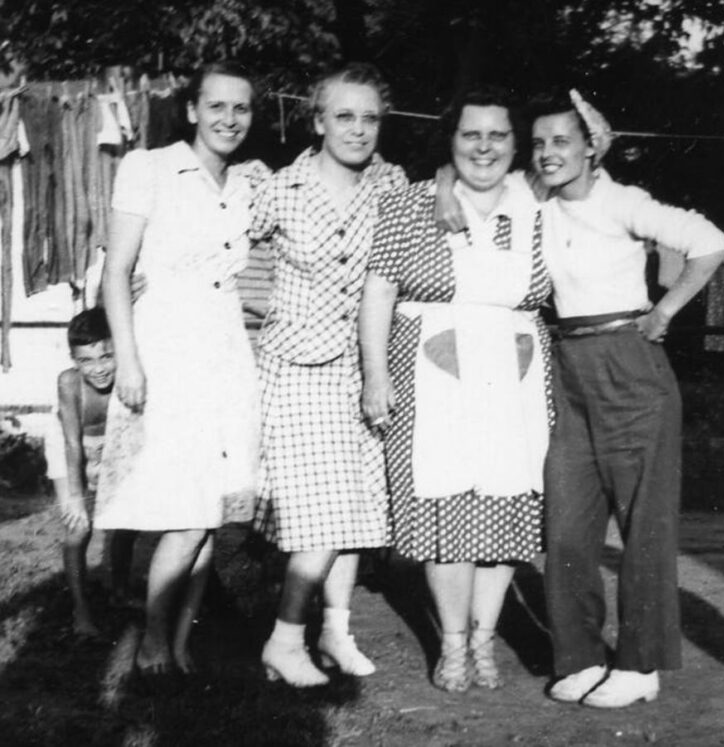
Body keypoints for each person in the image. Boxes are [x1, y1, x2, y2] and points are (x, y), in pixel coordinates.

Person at [528, 90, 724, 707]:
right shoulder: (538, 199)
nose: (546, 154)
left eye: (561, 141)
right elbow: (469, 172)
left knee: (643, 524)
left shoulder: (621, 201)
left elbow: (712, 241)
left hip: (629, 366)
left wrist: (665, 309)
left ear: (591, 146)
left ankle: (641, 665)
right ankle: (580, 656)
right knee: (566, 524)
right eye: (538, 143)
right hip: (567, 366)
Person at [359, 87, 553, 692]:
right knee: (447, 511)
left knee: (506, 507)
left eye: (498, 135)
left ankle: (484, 641)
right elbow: (379, 295)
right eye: (471, 134)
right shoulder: (410, 204)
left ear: (516, 146)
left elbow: (586, 155)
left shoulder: (537, 206)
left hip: (516, 374)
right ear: (450, 141)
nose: (484, 146)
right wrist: (374, 373)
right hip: (431, 371)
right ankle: (450, 645)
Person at [95, 62, 265, 677]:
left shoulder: (250, 182)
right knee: (184, 511)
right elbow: (116, 271)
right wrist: (129, 360)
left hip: (224, 352)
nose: (228, 119)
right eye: (216, 106)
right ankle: (149, 637)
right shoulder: (151, 167)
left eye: (241, 109)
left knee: (211, 510)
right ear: (192, 110)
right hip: (165, 348)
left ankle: (180, 644)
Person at [249, 63, 408, 687]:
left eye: (370, 118)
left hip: (365, 365)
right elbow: (224, 245)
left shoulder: (394, 184)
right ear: (317, 122)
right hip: (296, 366)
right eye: (344, 116)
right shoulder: (277, 189)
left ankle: (336, 632)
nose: (359, 129)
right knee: (320, 511)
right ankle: (284, 640)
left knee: (360, 509)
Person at [46, 307, 139, 637]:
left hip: (111, 442)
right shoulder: (69, 383)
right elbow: (72, 445)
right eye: (86, 360)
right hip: (69, 445)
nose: (98, 369)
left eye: (106, 356)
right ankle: (81, 611)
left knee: (126, 520)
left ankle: (119, 590)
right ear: (73, 359)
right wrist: (74, 497)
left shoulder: (128, 374)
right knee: (78, 529)